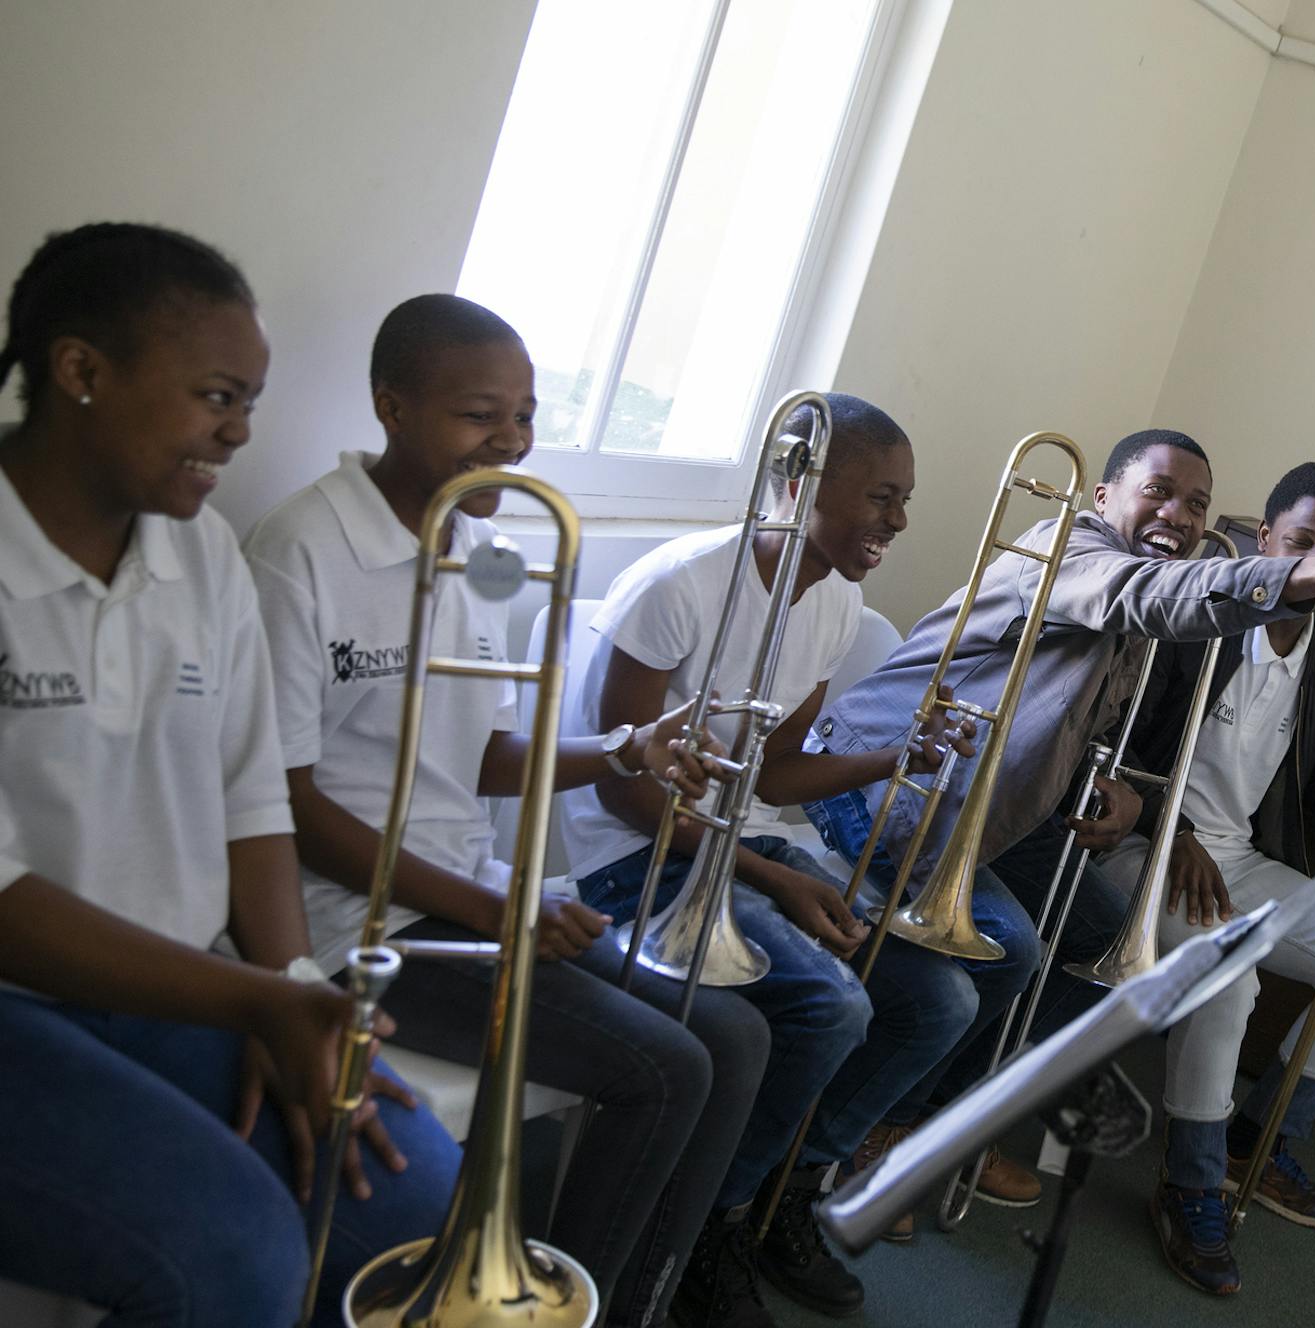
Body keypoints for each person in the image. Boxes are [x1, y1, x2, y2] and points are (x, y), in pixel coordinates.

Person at [244, 293, 770, 1327]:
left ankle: (634, 1294)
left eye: (525, 415)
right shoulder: (298, 550)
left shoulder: (482, 551)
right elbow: (286, 805)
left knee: (740, 1036)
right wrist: (499, 912)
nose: (513, 443)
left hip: (471, 896)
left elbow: (484, 753)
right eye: (480, 415)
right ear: (391, 406)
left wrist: (622, 745)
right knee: (665, 1069)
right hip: (362, 923)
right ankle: (545, 1310)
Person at [0, 222, 459, 1326]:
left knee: (413, 1192)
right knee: (231, 1252)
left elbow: (253, 802)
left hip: (174, 981)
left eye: (251, 400)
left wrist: (293, 986)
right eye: (217, 394)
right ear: (81, 372)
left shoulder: (198, 553)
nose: (240, 431)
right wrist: (252, 997)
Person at [803, 430, 1315, 1226]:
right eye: (1159, 491)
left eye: (1197, 503)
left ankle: (932, 1120)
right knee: (1017, 949)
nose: (1179, 512)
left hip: (999, 806)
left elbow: (1103, 734)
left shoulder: (1209, 613)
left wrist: (1127, 792)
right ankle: (872, 1137)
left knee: (1106, 951)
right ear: (1104, 497)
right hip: (885, 778)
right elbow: (1140, 594)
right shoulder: (1065, 545)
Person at [565, 392, 973, 1326]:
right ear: (799, 484)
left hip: (740, 847)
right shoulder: (681, 586)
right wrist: (779, 879)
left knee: (937, 1002)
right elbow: (621, 789)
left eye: (904, 499)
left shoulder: (836, 602)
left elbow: (779, 775)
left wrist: (893, 758)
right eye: (879, 497)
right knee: (830, 1005)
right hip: (632, 858)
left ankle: (783, 1190)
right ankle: (704, 1221)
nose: (898, 522)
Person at [1100, 461, 1315, 1295]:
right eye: (1301, 541)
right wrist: (1170, 829)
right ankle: (1191, 1182)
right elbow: (1115, 735)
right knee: (1226, 981)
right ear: (1267, 539)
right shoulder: (1198, 617)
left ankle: (1259, 1143)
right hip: (1139, 845)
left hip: (1236, 861)